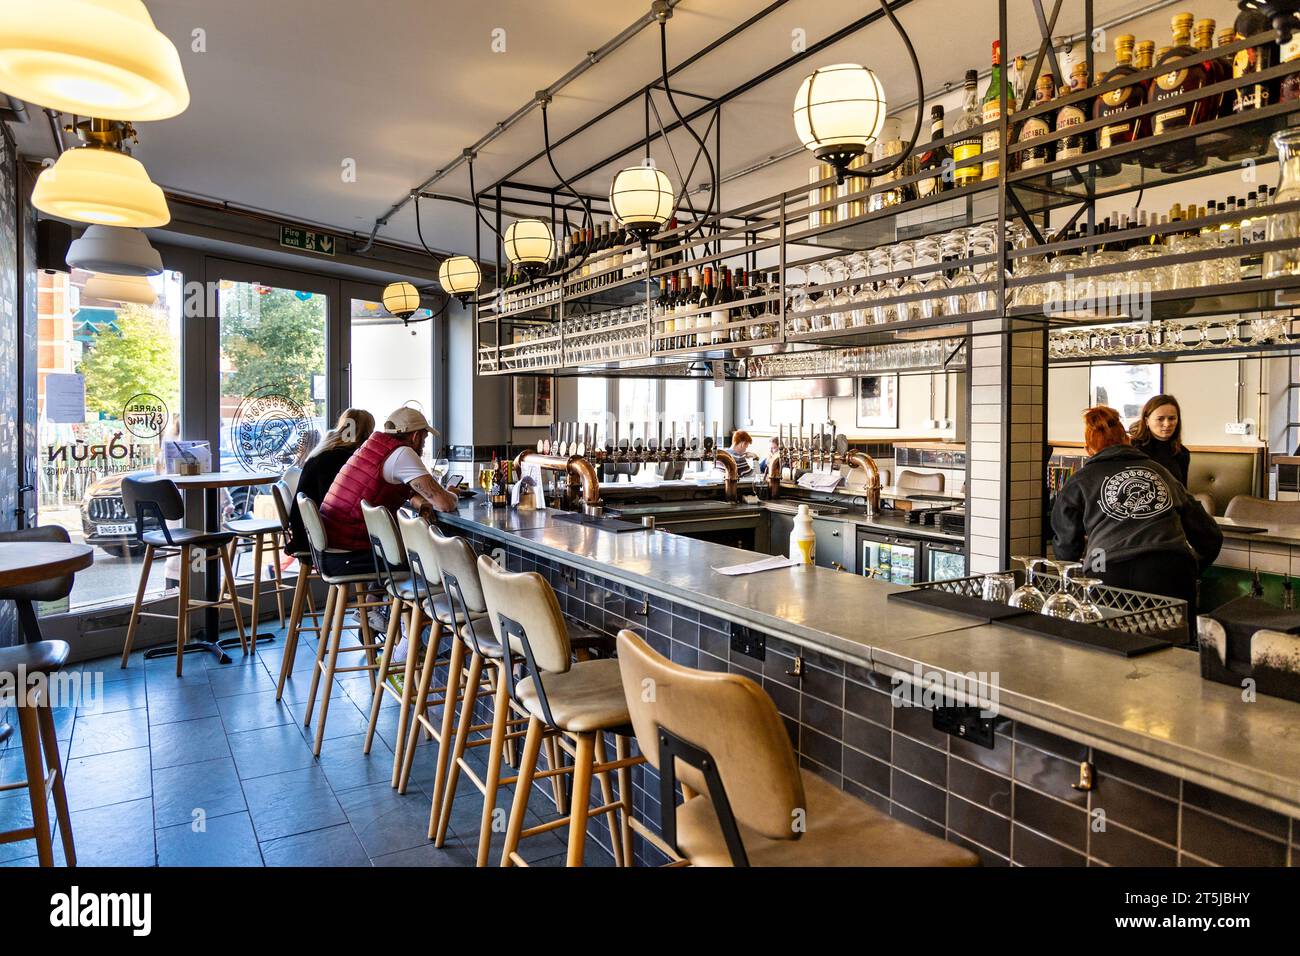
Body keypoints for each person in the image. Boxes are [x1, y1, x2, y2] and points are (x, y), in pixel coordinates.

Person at [1051, 405, 1222, 645]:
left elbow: (1066, 546)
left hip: (1108, 571)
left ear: (1088, 448)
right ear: (1128, 440)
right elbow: (1210, 536)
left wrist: (1081, 565)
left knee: (1109, 652)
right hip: (1171, 570)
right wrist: (1190, 565)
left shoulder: (1081, 480)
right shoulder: (1160, 472)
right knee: (1175, 657)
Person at [317, 405, 458, 575]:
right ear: (415, 436)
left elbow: (404, 489)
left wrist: (421, 498)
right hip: (350, 555)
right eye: (425, 438)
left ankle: (378, 597)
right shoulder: (402, 453)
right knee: (439, 561)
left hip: (333, 548)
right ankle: (431, 601)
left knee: (412, 552)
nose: (424, 445)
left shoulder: (373, 446)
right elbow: (444, 504)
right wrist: (453, 494)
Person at [283, 408, 374, 555]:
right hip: (322, 537)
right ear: (365, 433)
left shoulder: (323, 450)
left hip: (305, 531)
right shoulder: (344, 459)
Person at [1129, 394, 1190, 487]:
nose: (1167, 424)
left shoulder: (1182, 453)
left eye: (1172, 418)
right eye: (1160, 419)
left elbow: (1183, 491)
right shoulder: (1132, 448)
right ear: (1146, 421)